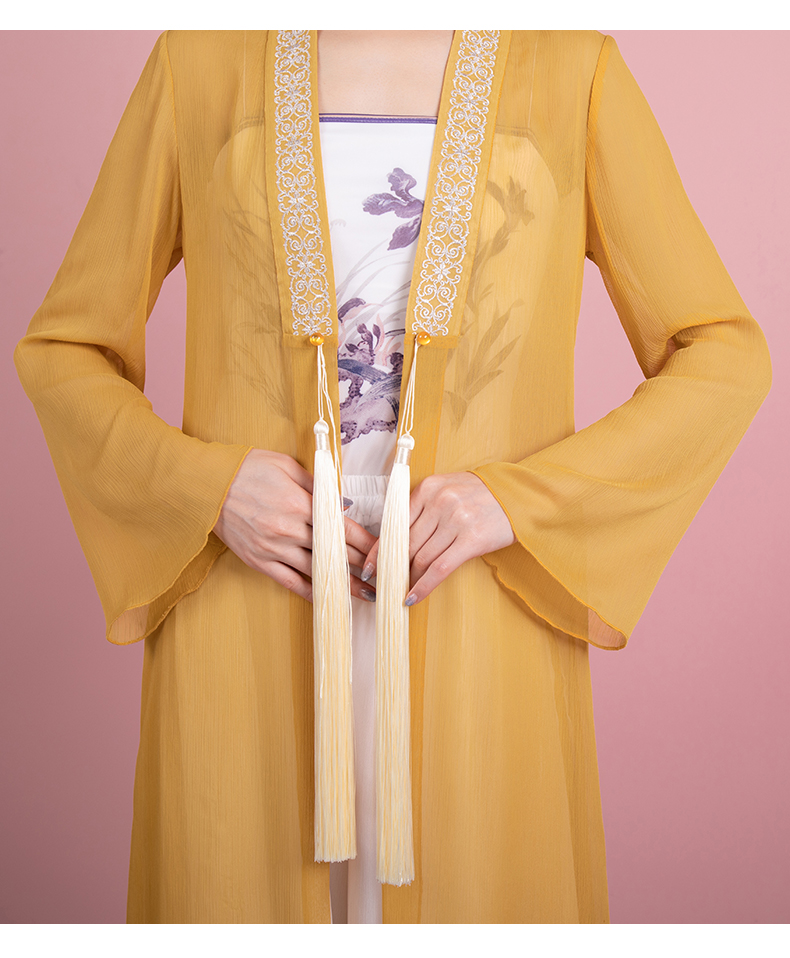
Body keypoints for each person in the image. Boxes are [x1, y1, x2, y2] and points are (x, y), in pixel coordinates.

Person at [13, 30, 771, 924]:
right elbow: (65, 348)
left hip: (474, 598)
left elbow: (723, 356)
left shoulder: (572, 69)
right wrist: (207, 489)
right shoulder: (199, 61)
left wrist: (514, 502)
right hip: (252, 591)